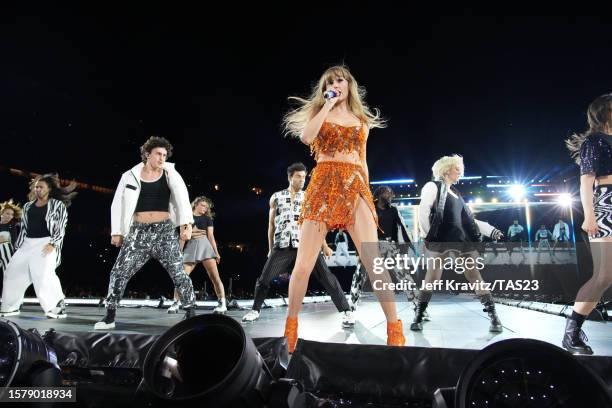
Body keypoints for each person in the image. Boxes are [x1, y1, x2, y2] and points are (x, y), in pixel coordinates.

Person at [281, 65, 404, 352]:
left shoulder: (362, 120)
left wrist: (368, 199)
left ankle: (394, 329)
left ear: (350, 85)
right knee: (303, 266)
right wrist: (326, 104)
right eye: (331, 81)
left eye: (341, 80)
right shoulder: (320, 112)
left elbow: (362, 161)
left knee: (373, 261)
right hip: (324, 183)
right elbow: (307, 138)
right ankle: (291, 325)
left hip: (354, 185)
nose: (336, 84)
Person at [94, 136, 197, 330]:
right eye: (158, 154)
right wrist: (117, 231)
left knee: (178, 272)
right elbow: (118, 203)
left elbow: (183, 198)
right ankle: (109, 315)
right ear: (147, 154)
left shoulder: (171, 174)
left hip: (164, 232)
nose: (162, 158)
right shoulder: (129, 175)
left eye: (165, 155)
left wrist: (186, 224)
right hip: (137, 232)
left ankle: (191, 311)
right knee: (119, 271)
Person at [242, 163, 355, 328]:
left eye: (304, 177)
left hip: (307, 244)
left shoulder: (309, 197)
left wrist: (324, 246)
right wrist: (270, 248)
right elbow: (271, 225)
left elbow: (317, 223)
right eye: (298, 176)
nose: (302, 180)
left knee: (327, 278)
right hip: (283, 245)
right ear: (290, 177)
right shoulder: (276, 197)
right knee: (264, 279)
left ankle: (346, 311)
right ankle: (255, 310)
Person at [416, 155, 504, 333]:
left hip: (461, 240)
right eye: (457, 169)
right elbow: (423, 212)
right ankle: (418, 316)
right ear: (447, 169)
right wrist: (429, 236)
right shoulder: (432, 186)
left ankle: (494, 317)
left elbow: (469, 220)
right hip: (439, 240)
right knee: (432, 277)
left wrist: (491, 230)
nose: (460, 173)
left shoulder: (456, 194)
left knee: (474, 276)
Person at [563, 93, 612, 354]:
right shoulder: (594, 141)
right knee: (604, 275)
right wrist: (589, 215)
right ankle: (572, 331)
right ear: (605, 111)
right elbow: (586, 181)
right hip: (606, 204)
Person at [0, 174, 76, 318]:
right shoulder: (28, 206)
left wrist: (53, 243)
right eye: (36, 187)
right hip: (27, 243)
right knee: (12, 271)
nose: (38, 189)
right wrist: (19, 247)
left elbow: (61, 226)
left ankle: (56, 306)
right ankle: (10, 306)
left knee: (43, 274)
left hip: (46, 242)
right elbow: (23, 229)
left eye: (41, 187)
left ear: (49, 189)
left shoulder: (57, 205)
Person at [348, 186, 422, 313]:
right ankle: (350, 310)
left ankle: (419, 308)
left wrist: (410, 246)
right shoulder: (369, 208)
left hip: (388, 245)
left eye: (391, 193)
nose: (391, 195)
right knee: (359, 276)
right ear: (380, 193)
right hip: (370, 245)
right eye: (388, 192)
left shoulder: (393, 210)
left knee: (404, 275)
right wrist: (358, 250)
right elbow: (358, 229)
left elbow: (403, 229)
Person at [168, 196, 227, 314]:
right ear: (196, 204)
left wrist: (216, 253)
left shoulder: (207, 219)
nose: (205, 208)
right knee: (181, 277)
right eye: (203, 205)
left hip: (205, 246)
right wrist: (179, 251)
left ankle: (222, 303)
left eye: (207, 207)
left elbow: (211, 237)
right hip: (191, 247)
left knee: (215, 277)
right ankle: (176, 303)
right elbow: (182, 237)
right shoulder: (186, 217)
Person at [0, 200, 22, 273]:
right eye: (7, 213)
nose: (10, 216)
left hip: (8, 254)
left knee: (9, 275)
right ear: (1, 213)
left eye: (12, 214)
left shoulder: (12, 226)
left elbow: (14, 241)